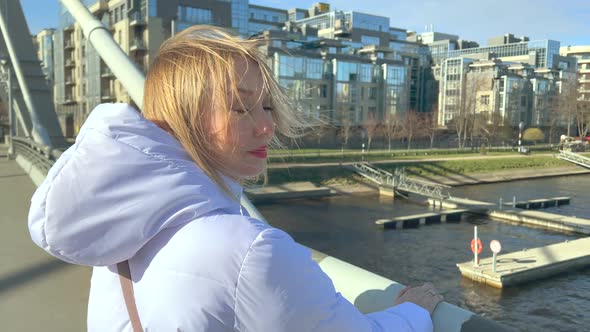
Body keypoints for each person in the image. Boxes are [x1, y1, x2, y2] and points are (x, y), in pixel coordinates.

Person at [28, 25, 442, 331]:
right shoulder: (253, 252)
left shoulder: (115, 235)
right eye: (241, 109)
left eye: (267, 107)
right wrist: (413, 312)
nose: (267, 127)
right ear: (183, 119)